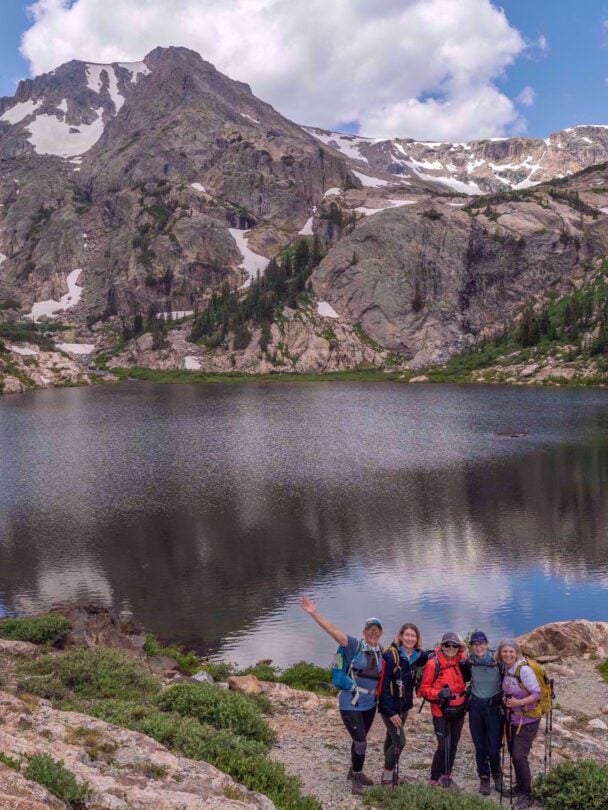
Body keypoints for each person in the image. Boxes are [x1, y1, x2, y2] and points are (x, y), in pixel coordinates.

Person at [300, 596, 383, 795]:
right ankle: (356, 779)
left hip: (370, 704)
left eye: (377, 630)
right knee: (362, 741)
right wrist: (313, 613)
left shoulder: (381, 651)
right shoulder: (352, 645)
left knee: (358, 740)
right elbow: (332, 629)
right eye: (370, 629)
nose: (373, 633)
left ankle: (354, 769)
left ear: (380, 634)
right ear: (364, 632)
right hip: (350, 703)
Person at [378, 622, 429, 786]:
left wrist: (456, 648)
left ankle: (388, 770)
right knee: (400, 742)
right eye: (406, 635)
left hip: (404, 706)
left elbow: (429, 656)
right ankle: (387, 777)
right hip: (390, 708)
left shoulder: (416, 656)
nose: (409, 638)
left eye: (413, 636)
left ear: (417, 639)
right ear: (400, 636)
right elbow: (383, 687)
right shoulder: (391, 656)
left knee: (391, 737)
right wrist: (390, 712)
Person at [418, 631, 469, 789]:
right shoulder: (433, 664)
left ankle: (446, 776)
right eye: (447, 644)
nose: (451, 648)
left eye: (455, 645)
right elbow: (423, 689)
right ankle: (434, 779)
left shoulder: (461, 660)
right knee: (443, 746)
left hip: (459, 710)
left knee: (453, 744)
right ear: (442, 645)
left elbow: (471, 661)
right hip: (441, 711)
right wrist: (439, 694)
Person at [497, 639, 542, 810]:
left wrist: (519, 703)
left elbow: (536, 693)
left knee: (518, 755)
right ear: (500, 653)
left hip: (528, 720)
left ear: (517, 653)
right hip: (513, 719)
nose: (507, 654)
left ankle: (526, 794)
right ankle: (521, 786)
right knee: (514, 753)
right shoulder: (507, 669)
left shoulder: (524, 670)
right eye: (504, 651)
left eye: (511, 651)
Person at [463, 630, 504, 796]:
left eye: (481, 643)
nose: (478, 647)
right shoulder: (469, 662)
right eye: (475, 644)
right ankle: (484, 777)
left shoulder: (498, 662)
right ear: (471, 646)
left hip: (494, 707)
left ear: (487, 644)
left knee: (493, 747)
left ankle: (497, 774)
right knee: (479, 745)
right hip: (476, 707)